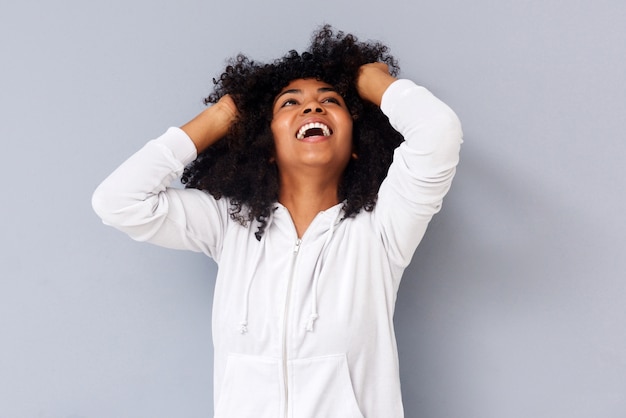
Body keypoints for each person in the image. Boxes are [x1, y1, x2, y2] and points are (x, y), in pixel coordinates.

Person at [92, 25, 462, 418]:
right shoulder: (229, 225)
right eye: (289, 103)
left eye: (330, 100)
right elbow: (117, 201)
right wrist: (222, 114)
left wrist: (373, 81)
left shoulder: (381, 229)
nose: (312, 107)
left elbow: (438, 133)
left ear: (358, 148)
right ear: (266, 148)